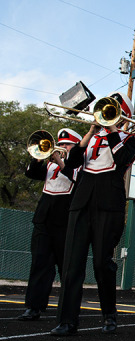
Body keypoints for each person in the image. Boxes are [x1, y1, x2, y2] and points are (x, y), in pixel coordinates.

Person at [51, 92, 135, 336]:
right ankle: (67, 320)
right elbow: (71, 165)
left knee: (102, 263)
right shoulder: (90, 138)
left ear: (123, 115)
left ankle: (109, 315)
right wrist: (90, 132)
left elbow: (122, 160)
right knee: (72, 263)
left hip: (109, 204)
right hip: (82, 202)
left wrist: (111, 130)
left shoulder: (130, 139)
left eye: (112, 109)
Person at [18, 128, 81, 321]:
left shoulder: (80, 164)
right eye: (60, 144)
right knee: (40, 263)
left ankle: (67, 310)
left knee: (67, 268)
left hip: (65, 222)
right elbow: (31, 173)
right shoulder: (49, 164)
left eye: (67, 145)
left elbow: (77, 180)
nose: (61, 148)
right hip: (44, 219)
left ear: (76, 146)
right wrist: (39, 157)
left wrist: (61, 162)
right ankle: (34, 306)